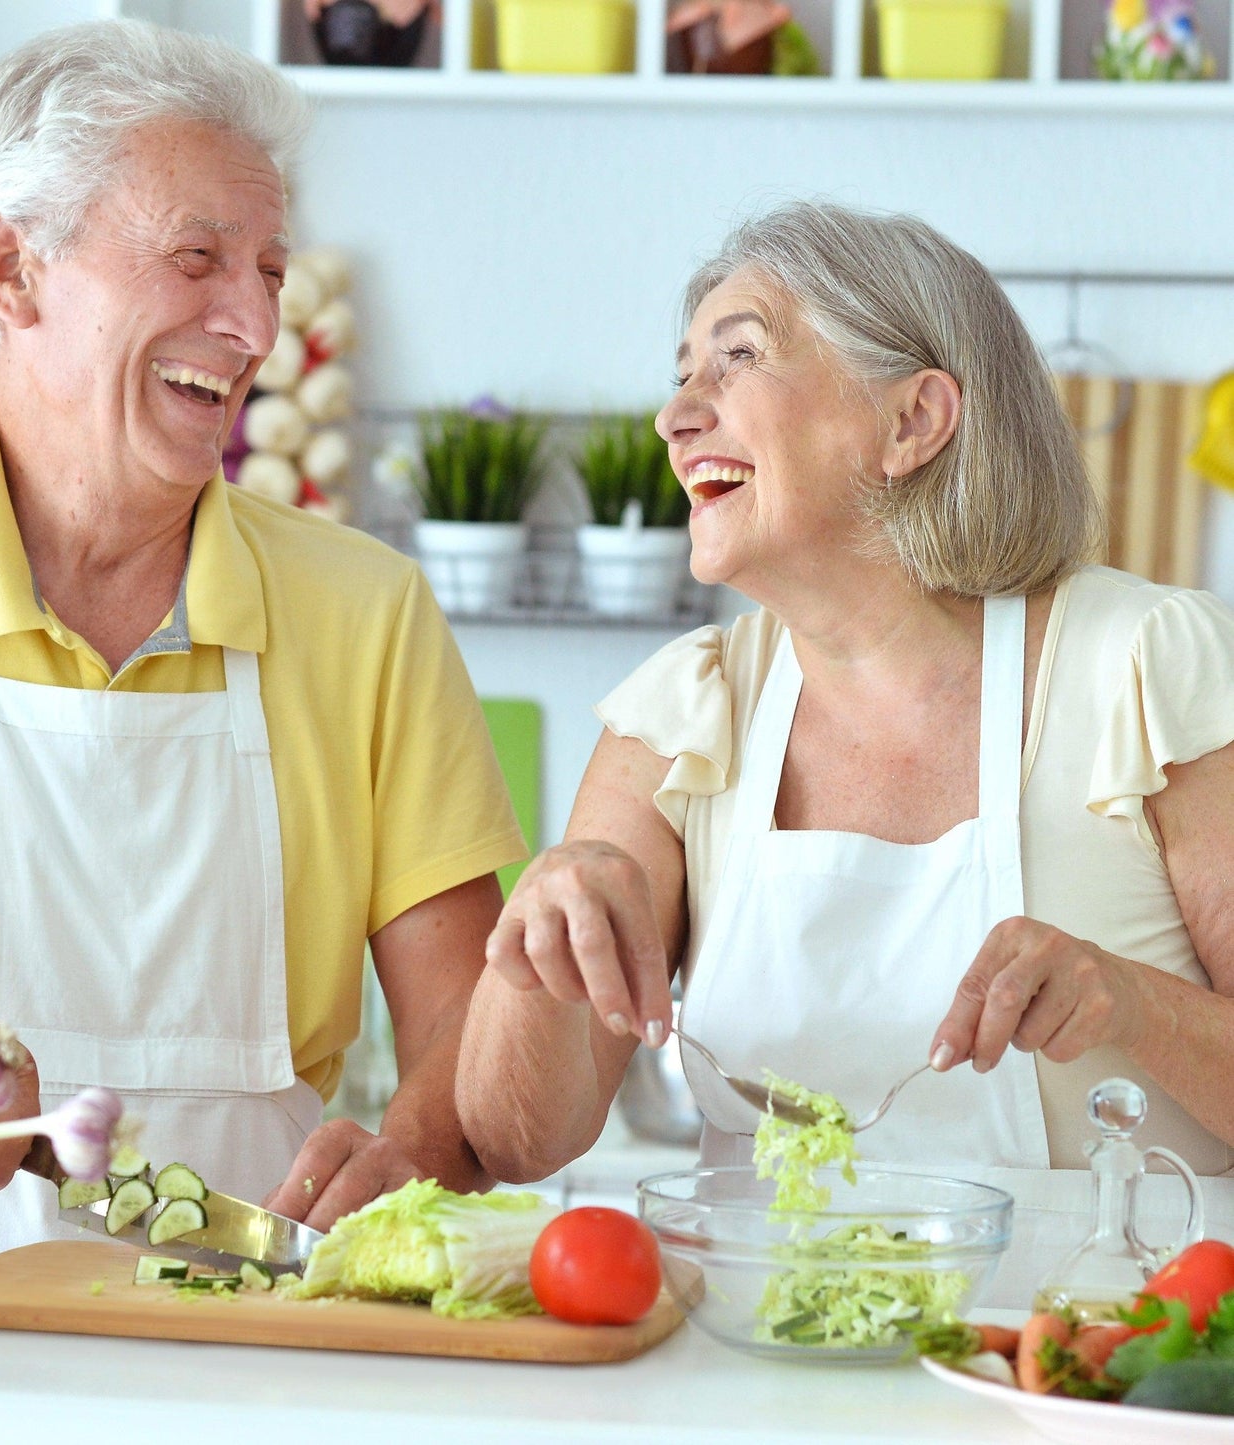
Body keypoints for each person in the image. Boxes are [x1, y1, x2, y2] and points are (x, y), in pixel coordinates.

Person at [0, 19, 525, 1267]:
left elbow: (471, 1038)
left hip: (247, 1337)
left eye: (273, 272)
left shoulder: (366, 613)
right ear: (14, 269)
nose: (253, 324)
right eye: (197, 258)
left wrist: (419, 1141)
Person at [456, 200, 1234, 1305]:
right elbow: (516, 1136)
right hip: (756, 1349)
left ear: (912, 419)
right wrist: (540, 925)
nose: (677, 415)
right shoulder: (687, 709)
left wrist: (1131, 1002)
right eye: (681, 375)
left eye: (737, 357)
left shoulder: (1147, 663)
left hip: (1095, 1367)